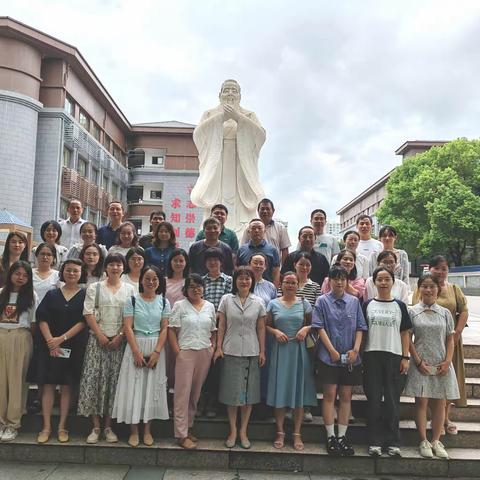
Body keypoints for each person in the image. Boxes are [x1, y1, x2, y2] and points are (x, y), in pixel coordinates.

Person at [190, 79, 266, 234]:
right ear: (220, 95)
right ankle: (214, 229)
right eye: (227, 90)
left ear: (240, 95)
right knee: (215, 203)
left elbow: (260, 135)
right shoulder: (210, 114)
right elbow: (199, 135)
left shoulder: (249, 115)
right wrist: (220, 118)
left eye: (234, 90)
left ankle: (242, 232)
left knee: (243, 208)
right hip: (218, 163)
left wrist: (238, 117)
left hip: (241, 163)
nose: (230, 93)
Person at [27, 259, 87, 444]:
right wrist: (51, 342)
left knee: (67, 387)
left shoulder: (85, 295)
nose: (71, 274)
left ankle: (62, 426)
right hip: (49, 347)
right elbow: (42, 318)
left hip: (73, 346)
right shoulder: (53, 294)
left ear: (81, 274)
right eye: (68, 270)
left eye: (75, 271)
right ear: (62, 272)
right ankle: (46, 427)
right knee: (48, 386)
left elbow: (84, 321)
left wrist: (62, 339)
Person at [77, 254, 135, 444]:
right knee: (94, 381)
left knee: (113, 383)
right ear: (105, 267)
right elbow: (88, 313)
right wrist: (100, 335)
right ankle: (95, 426)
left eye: (118, 264)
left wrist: (119, 336)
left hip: (120, 342)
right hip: (97, 341)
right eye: (111, 264)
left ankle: (108, 426)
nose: (115, 268)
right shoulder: (95, 288)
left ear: (123, 267)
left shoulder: (130, 289)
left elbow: (131, 316)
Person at [112, 266, 170, 447]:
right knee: (134, 388)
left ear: (159, 282)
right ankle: (134, 431)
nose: (151, 282)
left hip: (155, 347)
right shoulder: (132, 301)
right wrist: (136, 352)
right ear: (141, 280)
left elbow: (165, 328)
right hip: (134, 345)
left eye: (154, 279)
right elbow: (128, 327)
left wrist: (157, 352)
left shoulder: (164, 302)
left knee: (152, 389)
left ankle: (147, 430)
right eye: (147, 278)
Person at [312, 265, 367, 456]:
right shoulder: (322, 301)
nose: (339, 282)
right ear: (330, 280)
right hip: (329, 357)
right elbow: (319, 327)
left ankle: (342, 436)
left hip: (351, 358)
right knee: (329, 395)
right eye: (336, 278)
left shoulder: (354, 301)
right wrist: (332, 351)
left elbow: (360, 327)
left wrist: (356, 350)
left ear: (347, 281)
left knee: (345, 396)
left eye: (343, 278)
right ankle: (330, 436)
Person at [405, 273, 459, 459]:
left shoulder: (445, 313)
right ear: (419, 289)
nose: (428, 289)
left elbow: (450, 339)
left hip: (442, 363)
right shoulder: (412, 311)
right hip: (420, 363)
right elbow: (408, 339)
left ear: (438, 289)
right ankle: (423, 440)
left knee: (440, 403)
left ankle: (436, 440)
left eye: (432, 286)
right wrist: (417, 361)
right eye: (424, 286)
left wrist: (447, 361)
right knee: (421, 402)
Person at [412, 255, 468, 435]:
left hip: (449, 340)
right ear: (431, 269)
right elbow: (414, 312)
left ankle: (445, 418)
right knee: (425, 390)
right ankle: (430, 422)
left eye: (444, 268)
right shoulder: (422, 288)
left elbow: (464, 310)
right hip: (426, 341)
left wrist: (456, 332)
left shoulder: (454, 288)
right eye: (437, 268)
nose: (441, 272)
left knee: (448, 381)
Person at [362, 266, 412, 457]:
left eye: (386, 279)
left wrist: (405, 357)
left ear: (393, 282)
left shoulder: (400, 306)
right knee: (374, 400)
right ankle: (374, 441)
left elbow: (405, 332)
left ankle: (393, 442)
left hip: (394, 355)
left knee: (392, 400)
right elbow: (363, 332)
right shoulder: (367, 304)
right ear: (374, 283)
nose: (383, 282)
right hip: (371, 354)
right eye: (379, 279)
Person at [214, 267, 266, 449]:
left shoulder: (258, 301)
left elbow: (261, 328)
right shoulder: (226, 300)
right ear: (235, 281)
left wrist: (262, 351)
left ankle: (243, 430)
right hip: (231, 350)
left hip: (252, 351)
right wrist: (218, 347)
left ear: (252, 281)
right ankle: (232, 430)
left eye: (247, 278)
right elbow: (221, 325)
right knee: (232, 393)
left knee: (248, 394)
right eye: (241, 278)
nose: (244, 281)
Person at [266, 272, 317, 451]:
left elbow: (314, 324)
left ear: (297, 285)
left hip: (299, 350)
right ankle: (280, 431)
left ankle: (297, 433)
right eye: (287, 282)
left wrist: (305, 328)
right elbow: (266, 324)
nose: (290, 285)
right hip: (280, 351)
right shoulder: (273, 303)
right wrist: (275, 332)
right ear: (281, 284)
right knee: (280, 390)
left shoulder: (305, 303)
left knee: (298, 392)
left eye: (293, 283)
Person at [168, 274, 217, 449]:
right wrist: (178, 352)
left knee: (195, 394)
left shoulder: (210, 306)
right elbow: (172, 330)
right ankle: (180, 435)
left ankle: (188, 428)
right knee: (182, 394)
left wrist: (212, 348)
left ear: (203, 288)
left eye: (199, 286)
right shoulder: (180, 306)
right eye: (191, 286)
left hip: (204, 352)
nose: (195, 289)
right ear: (185, 290)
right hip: (186, 352)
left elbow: (214, 331)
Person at [0, 260, 37, 442]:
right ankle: (1, 421)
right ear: (11, 274)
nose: (20, 277)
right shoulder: (1, 293)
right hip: (1, 336)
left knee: (17, 382)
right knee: (1, 382)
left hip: (21, 337)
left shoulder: (32, 296)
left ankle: (12, 424)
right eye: (17, 273)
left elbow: (33, 323)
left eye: (25, 275)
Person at [200, 248, 233, 418]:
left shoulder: (228, 281)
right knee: (203, 363)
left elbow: (227, 304)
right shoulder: (201, 281)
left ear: (221, 262)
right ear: (205, 263)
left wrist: (217, 316)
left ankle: (213, 402)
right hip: (203, 326)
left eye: (216, 260)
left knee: (217, 365)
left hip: (223, 326)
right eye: (209, 260)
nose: (213, 263)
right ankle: (201, 400)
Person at [165, 249, 190, 390]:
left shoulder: (190, 282)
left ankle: (178, 393)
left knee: (181, 361)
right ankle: (165, 395)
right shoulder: (163, 281)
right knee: (167, 361)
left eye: (181, 260)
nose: (178, 263)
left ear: (186, 263)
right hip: (167, 326)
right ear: (170, 262)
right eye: (175, 260)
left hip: (185, 328)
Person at [241, 199, 291, 263]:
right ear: (257, 211)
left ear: (273, 211)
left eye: (267, 209)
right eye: (262, 209)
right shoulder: (249, 228)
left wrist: (283, 270)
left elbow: (285, 250)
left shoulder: (280, 228)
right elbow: (243, 247)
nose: (265, 211)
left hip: (273, 267)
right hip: (254, 266)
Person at [237, 219, 280, 286]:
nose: (256, 231)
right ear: (248, 231)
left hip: (266, 289)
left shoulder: (272, 250)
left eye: (259, 228)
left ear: (264, 231)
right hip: (245, 288)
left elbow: (276, 272)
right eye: (253, 228)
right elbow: (238, 270)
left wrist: (274, 289)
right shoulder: (242, 250)